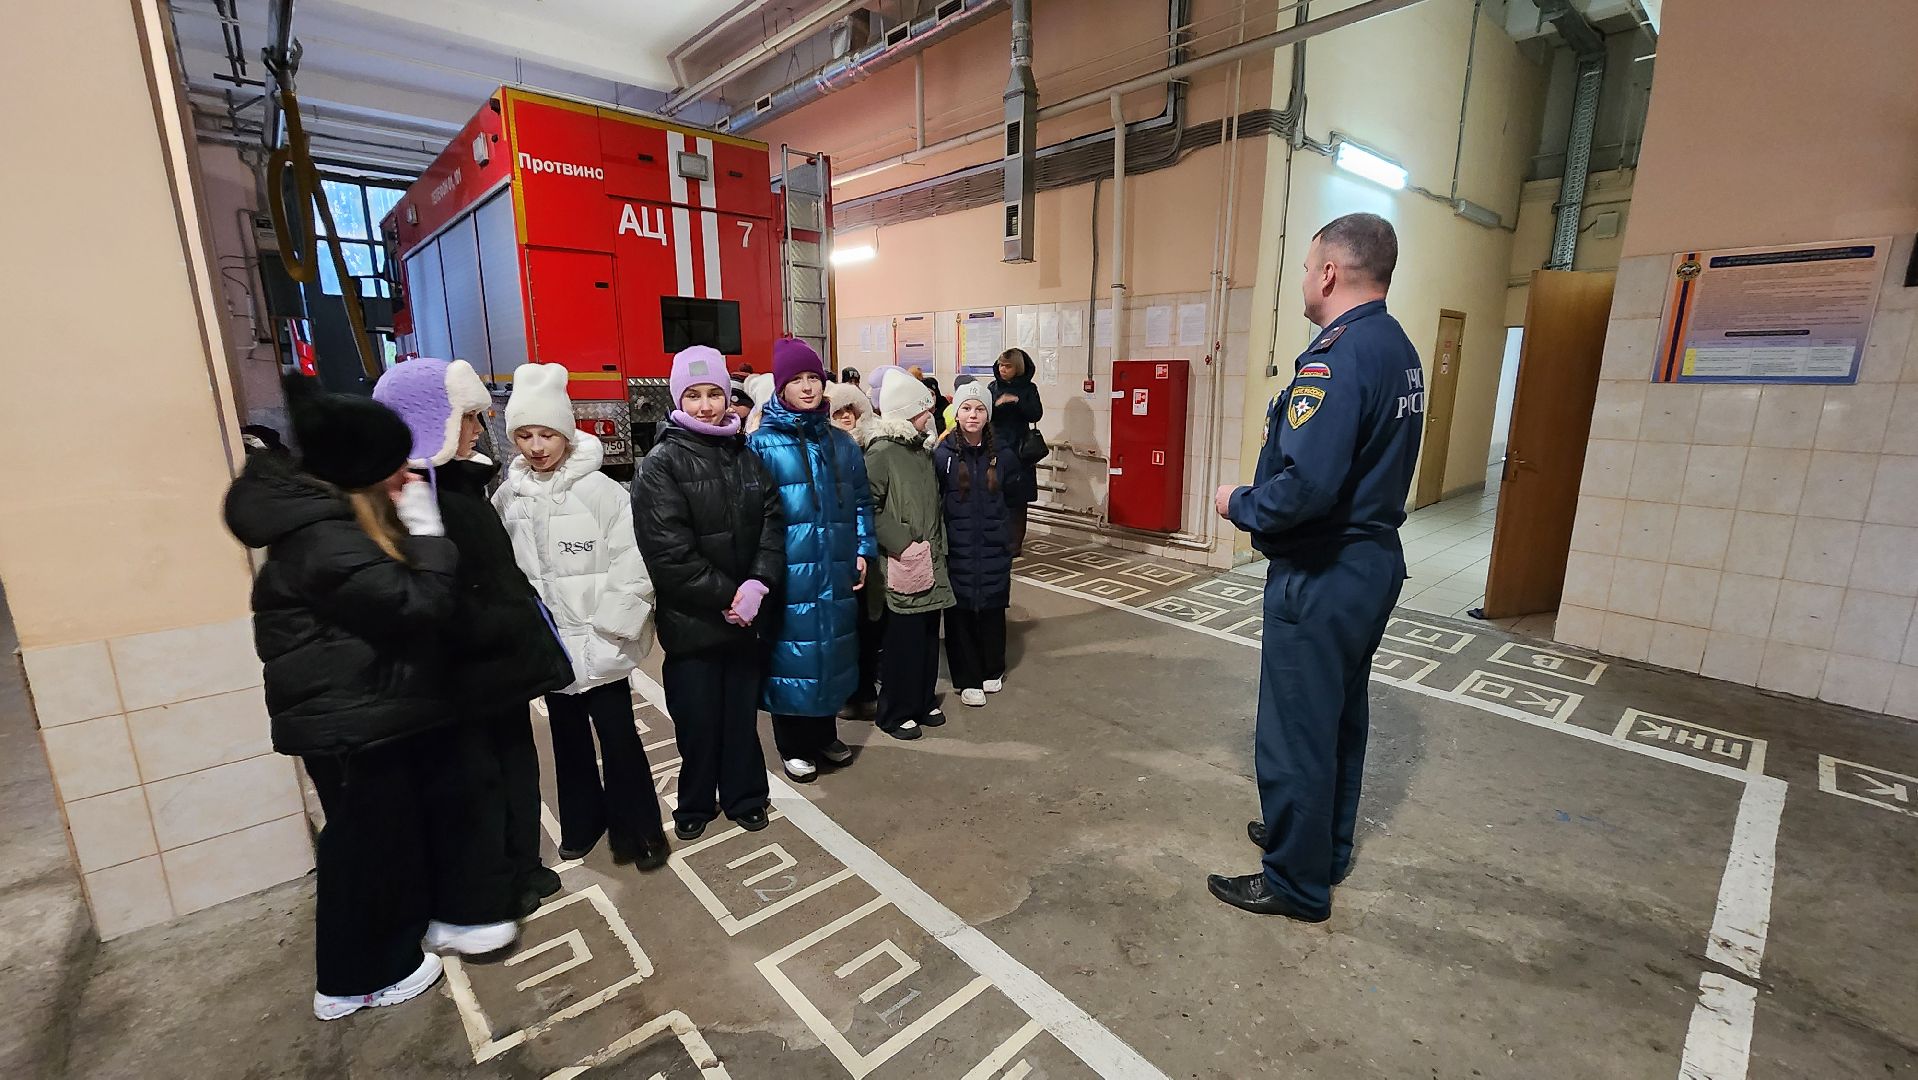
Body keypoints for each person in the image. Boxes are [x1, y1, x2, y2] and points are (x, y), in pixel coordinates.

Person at [224, 381, 519, 1023]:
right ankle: (357, 977)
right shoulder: (327, 539)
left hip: (369, 709)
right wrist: (428, 532)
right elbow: (417, 603)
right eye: (393, 462)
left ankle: (415, 933)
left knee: (396, 827)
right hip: (348, 719)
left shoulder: (326, 521)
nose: (407, 471)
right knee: (362, 849)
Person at [1207, 212, 1424, 923]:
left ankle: (1295, 883)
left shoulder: (1335, 358)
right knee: (1338, 717)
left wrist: (1238, 502)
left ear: (1329, 271)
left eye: (1306, 267)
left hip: (1325, 568)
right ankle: (1319, 846)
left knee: (1296, 726)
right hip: (1370, 563)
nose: (1304, 279)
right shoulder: (1396, 347)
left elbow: (1306, 488)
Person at [372, 359, 574, 914]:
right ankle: (497, 881)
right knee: (478, 783)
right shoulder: (416, 501)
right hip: (466, 675)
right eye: (468, 418)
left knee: (514, 768)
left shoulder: (459, 487)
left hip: (498, 669)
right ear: (432, 420)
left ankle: (523, 864)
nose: (478, 431)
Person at [494, 363, 671, 872]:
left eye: (545, 433)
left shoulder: (603, 492)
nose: (535, 446)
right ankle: (581, 824)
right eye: (524, 435)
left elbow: (633, 563)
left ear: (567, 433)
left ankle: (639, 832)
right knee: (567, 742)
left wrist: (611, 631)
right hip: (549, 648)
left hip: (598, 644)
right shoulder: (509, 499)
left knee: (619, 740)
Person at [632, 347, 784, 841]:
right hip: (694, 625)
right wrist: (729, 597)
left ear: (727, 396)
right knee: (697, 723)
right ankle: (695, 801)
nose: (705, 405)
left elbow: (771, 524)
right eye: (693, 395)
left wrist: (757, 585)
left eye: (714, 393)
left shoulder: (745, 454)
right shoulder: (661, 464)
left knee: (741, 718)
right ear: (679, 398)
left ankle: (745, 796)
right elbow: (668, 553)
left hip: (745, 619)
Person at [748, 339, 876, 782]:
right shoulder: (761, 445)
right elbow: (755, 517)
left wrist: (862, 551)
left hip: (835, 567)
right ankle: (793, 744)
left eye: (813, 379)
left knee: (831, 652)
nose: (807, 387)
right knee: (791, 657)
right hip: (790, 571)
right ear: (780, 387)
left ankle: (824, 734)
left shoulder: (843, 443)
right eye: (796, 380)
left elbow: (861, 502)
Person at [862, 373, 954, 739]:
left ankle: (922, 698)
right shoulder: (883, 452)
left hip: (928, 556)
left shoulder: (919, 450)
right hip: (902, 560)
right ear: (909, 413)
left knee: (929, 635)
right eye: (925, 410)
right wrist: (902, 542)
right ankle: (895, 710)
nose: (929, 416)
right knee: (904, 640)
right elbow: (867, 506)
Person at [934, 382, 1013, 707]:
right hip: (959, 547)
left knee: (993, 609)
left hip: (993, 546)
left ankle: (992, 667)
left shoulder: (1002, 455)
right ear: (956, 413)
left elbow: (1012, 499)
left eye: (980, 409)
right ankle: (967, 678)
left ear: (987, 415)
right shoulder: (943, 455)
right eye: (966, 408)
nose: (973, 415)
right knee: (961, 614)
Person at [826, 381, 884, 722]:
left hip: (868, 550)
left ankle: (866, 689)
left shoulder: (873, 447)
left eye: (852, 411)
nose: (846, 417)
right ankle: (846, 694)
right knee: (842, 630)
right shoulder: (827, 448)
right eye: (839, 412)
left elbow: (867, 502)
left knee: (869, 626)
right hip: (835, 552)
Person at [988, 348, 1044, 555]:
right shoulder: (993, 387)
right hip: (996, 448)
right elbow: (985, 413)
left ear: (1017, 368)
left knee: (1018, 500)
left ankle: (1014, 544)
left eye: (1008, 366)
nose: (1003, 369)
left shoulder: (1029, 388)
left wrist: (1018, 402)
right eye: (1001, 365)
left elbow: (1036, 414)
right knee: (995, 494)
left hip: (1020, 450)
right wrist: (998, 403)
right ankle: (996, 539)